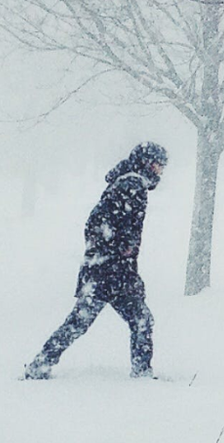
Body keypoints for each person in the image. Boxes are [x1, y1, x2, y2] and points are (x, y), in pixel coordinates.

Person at [24, 142, 168, 379]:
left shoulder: (123, 182)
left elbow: (97, 225)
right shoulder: (132, 185)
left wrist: (107, 254)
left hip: (105, 269)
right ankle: (142, 372)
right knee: (137, 320)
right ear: (147, 163)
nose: (161, 170)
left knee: (85, 322)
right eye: (159, 164)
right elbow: (103, 225)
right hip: (111, 272)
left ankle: (40, 365)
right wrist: (120, 251)